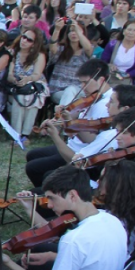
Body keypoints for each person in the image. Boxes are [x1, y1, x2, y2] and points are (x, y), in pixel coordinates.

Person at [4, 165, 127, 270]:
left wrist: (10, 263)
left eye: (52, 198)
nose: (49, 204)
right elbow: (90, 260)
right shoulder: (111, 219)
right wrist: (51, 256)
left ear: (72, 195)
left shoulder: (74, 239)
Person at [24, 60, 117, 189]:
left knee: (34, 168)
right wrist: (63, 117)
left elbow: (91, 140)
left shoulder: (106, 105)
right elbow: (78, 118)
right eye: (81, 82)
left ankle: (47, 193)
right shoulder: (93, 96)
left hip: (79, 152)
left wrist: (71, 123)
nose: (82, 87)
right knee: (32, 155)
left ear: (101, 80)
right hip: (73, 144)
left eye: (85, 82)